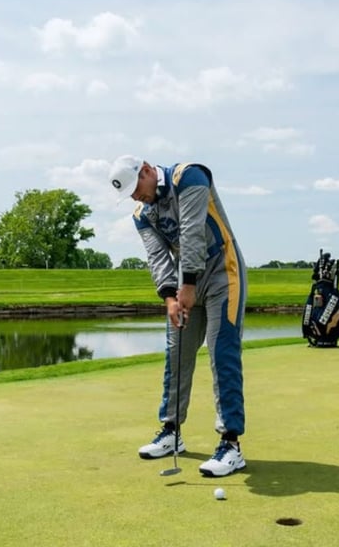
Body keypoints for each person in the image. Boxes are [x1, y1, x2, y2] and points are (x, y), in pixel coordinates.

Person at [108, 154, 247, 478]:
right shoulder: (142, 214)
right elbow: (157, 257)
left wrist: (188, 286)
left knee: (222, 353)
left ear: (146, 170)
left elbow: (192, 231)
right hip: (187, 282)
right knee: (177, 353)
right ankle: (171, 431)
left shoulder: (190, 177)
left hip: (223, 273)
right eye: (129, 194)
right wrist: (171, 298)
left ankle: (231, 444)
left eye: (136, 188)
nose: (136, 197)